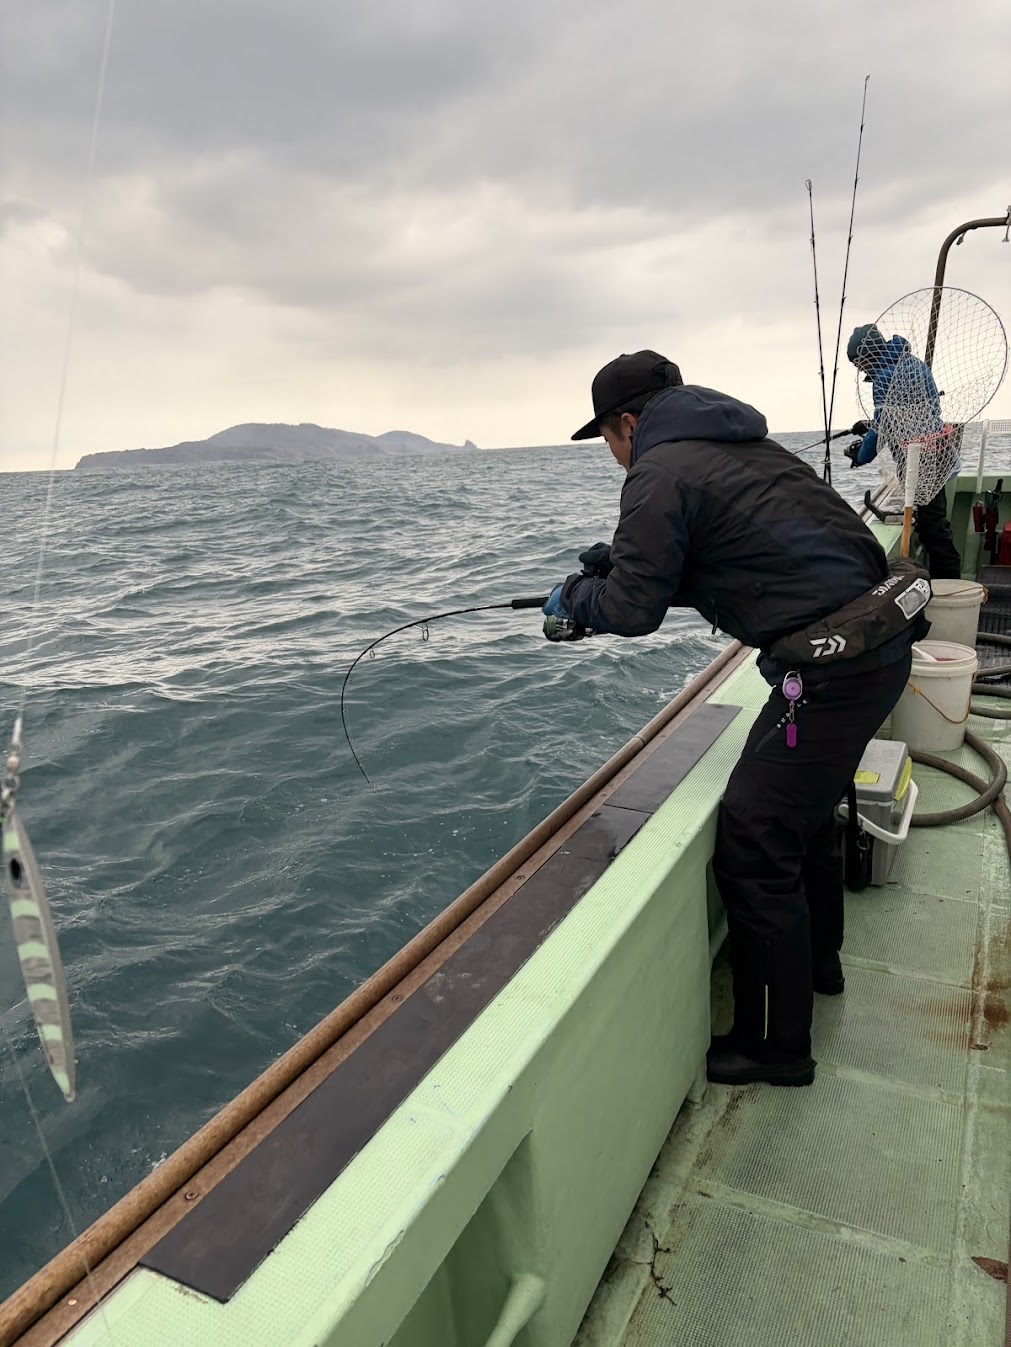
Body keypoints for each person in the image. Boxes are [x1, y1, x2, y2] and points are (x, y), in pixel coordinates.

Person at [544, 350, 925, 1088]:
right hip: (875, 648)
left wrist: (577, 600)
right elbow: (747, 558)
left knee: (753, 836)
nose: (613, 457)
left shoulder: (657, 471)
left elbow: (631, 611)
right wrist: (621, 563)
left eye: (607, 441)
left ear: (627, 422)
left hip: (833, 671)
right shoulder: (743, 448)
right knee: (799, 817)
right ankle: (818, 968)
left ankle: (776, 1048)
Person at [846, 322, 962, 579]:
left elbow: (882, 431)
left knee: (934, 530)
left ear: (867, 356)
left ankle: (949, 585)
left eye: (858, 363)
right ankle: (944, 578)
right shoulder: (915, 363)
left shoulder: (884, 377)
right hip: (939, 454)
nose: (860, 369)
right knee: (935, 522)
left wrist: (860, 455)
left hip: (920, 461)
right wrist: (869, 424)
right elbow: (918, 413)